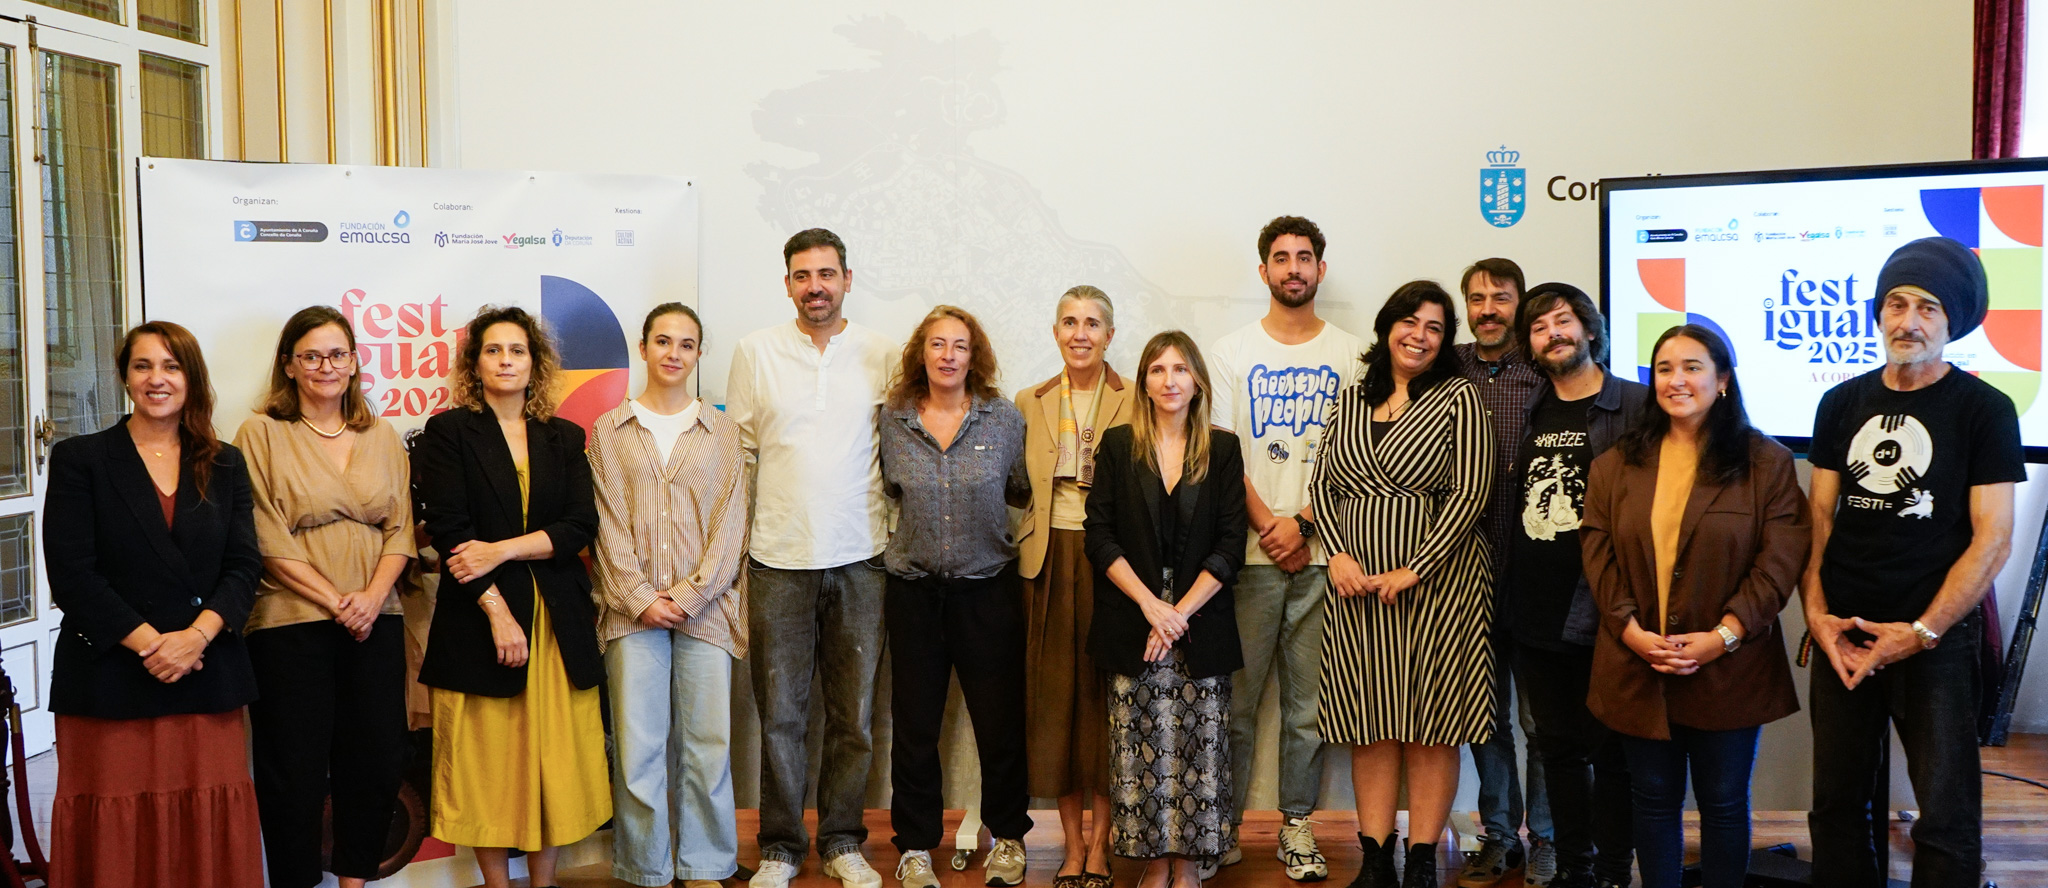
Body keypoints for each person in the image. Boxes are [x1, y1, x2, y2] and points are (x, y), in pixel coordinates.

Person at [1803, 237, 2021, 887]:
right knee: (1837, 807)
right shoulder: (1840, 403)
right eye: (1896, 304)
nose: (1909, 321)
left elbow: (1994, 538)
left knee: (1946, 819)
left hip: (1935, 641)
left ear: (1952, 322)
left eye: (1928, 308)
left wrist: (1922, 631)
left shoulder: (1985, 410)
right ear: (1879, 314)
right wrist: (1816, 617)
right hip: (1844, 631)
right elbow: (1817, 519)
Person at [1580, 326, 1809, 888]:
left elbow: (1778, 563)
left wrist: (1723, 635)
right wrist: (1630, 632)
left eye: (1692, 367)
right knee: (1652, 798)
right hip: (1638, 662)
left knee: (1724, 802)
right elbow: (1598, 554)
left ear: (1722, 379)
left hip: (1730, 665)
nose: (1676, 380)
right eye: (1664, 369)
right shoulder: (1615, 464)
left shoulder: (1767, 463)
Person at [44, 321, 265, 888]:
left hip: (206, 674)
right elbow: (71, 574)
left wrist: (195, 639)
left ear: (192, 378)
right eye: (143, 366)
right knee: (118, 832)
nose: (157, 379)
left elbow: (244, 566)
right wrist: (154, 647)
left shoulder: (226, 463)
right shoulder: (81, 459)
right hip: (110, 677)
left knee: (205, 826)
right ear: (125, 377)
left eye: (171, 366)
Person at [414, 305, 610, 888]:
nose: (506, 361)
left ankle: (543, 884)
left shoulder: (564, 436)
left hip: (556, 623)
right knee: (488, 767)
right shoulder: (449, 432)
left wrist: (499, 550)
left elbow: (579, 526)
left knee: (552, 764)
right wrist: (497, 612)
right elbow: (450, 531)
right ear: (475, 364)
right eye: (493, 350)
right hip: (480, 618)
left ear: (534, 363)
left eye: (517, 350)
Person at [1312, 281, 1494, 888]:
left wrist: (1416, 566)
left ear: (1445, 341)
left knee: (1432, 725)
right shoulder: (1350, 399)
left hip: (1439, 587)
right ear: (1387, 326)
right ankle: (1374, 860)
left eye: (1435, 328)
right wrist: (1337, 553)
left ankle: (1419, 862)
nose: (1419, 336)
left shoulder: (1458, 397)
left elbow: (1471, 491)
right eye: (1410, 322)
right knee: (1370, 723)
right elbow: (1323, 486)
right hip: (1357, 590)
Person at [729, 228, 896, 888]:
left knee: (853, 717)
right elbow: (741, 457)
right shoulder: (755, 352)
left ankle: (843, 841)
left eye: (827, 274)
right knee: (781, 717)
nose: (815, 286)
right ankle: (779, 846)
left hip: (862, 558)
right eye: (802, 276)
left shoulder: (883, 353)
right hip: (777, 558)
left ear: (848, 279)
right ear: (787, 284)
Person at [237, 306, 416, 888]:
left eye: (337, 354)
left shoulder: (381, 435)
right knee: (294, 768)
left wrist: (370, 599)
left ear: (355, 362)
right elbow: (263, 535)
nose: (325, 366)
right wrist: (338, 602)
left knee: (376, 759)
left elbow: (401, 530)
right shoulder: (260, 433)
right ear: (288, 365)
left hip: (377, 617)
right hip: (290, 620)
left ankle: (355, 880)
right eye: (310, 356)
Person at [1206, 216, 1359, 882]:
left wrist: (1303, 524)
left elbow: (1358, 457)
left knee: (1307, 709)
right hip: (1249, 558)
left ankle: (1297, 826)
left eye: (1304, 257)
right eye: (1280, 257)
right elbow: (1222, 454)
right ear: (1263, 270)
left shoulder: (1353, 354)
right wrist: (1273, 525)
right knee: (1237, 706)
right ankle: (1223, 827)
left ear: (1320, 269)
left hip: (1326, 558)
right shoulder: (1231, 351)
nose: (1293, 268)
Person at [590, 304, 750, 888]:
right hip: (630, 615)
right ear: (643, 348)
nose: (673, 353)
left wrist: (688, 596)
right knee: (639, 749)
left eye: (686, 344)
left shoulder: (722, 432)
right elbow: (606, 522)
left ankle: (705, 864)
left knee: (708, 746)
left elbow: (732, 522)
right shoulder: (609, 431)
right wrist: (641, 598)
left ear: (699, 354)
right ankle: (646, 868)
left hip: (707, 611)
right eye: (663, 341)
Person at [879, 305, 1034, 888]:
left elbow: (1020, 489)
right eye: (937, 344)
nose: (948, 356)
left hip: (987, 589)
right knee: (915, 726)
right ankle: (916, 846)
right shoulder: (893, 419)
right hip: (913, 592)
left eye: (959, 346)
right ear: (921, 353)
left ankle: (1009, 836)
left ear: (975, 356)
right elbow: (886, 490)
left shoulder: (1003, 419)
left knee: (999, 722)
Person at [1085, 331, 1247, 888]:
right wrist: (1153, 607)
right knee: (1140, 745)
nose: (1169, 380)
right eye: (1157, 369)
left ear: (1197, 380)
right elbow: (1099, 535)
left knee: (1201, 749)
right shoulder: (1117, 445)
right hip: (1134, 614)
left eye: (1180, 369)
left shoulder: (1222, 449)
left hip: (1201, 617)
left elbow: (1231, 544)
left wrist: (1177, 615)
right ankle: (1156, 863)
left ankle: (1191, 865)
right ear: (1144, 382)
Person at [1504, 284, 1645, 888]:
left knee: (1614, 754)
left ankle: (1613, 872)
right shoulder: (1529, 409)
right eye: (1539, 328)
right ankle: (1575, 870)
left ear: (1590, 329)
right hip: (1535, 609)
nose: (1552, 334)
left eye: (1562, 321)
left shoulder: (1636, 405)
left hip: (1608, 609)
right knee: (1556, 749)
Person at [1018, 286, 1134, 888]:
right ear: (1055, 331)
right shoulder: (1029, 400)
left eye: (1092, 323)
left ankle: (1103, 843)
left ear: (1110, 335)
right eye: (1069, 322)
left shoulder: (1138, 398)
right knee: (1056, 705)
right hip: (1047, 561)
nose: (1080, 333)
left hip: (1113, 563)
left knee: (1108, 702)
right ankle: (1070, 844)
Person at [1452, 257, 1556, 888]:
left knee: (1541, 723)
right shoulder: (1448, 368)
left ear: (1521, 303)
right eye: (1477, 298)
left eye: (1501, 297)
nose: (1488, 309)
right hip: (1464, 577)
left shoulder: (1547, 368)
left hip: (1536, 577)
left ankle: (1546, 838)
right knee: (1483, 718)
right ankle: (1499, 837)